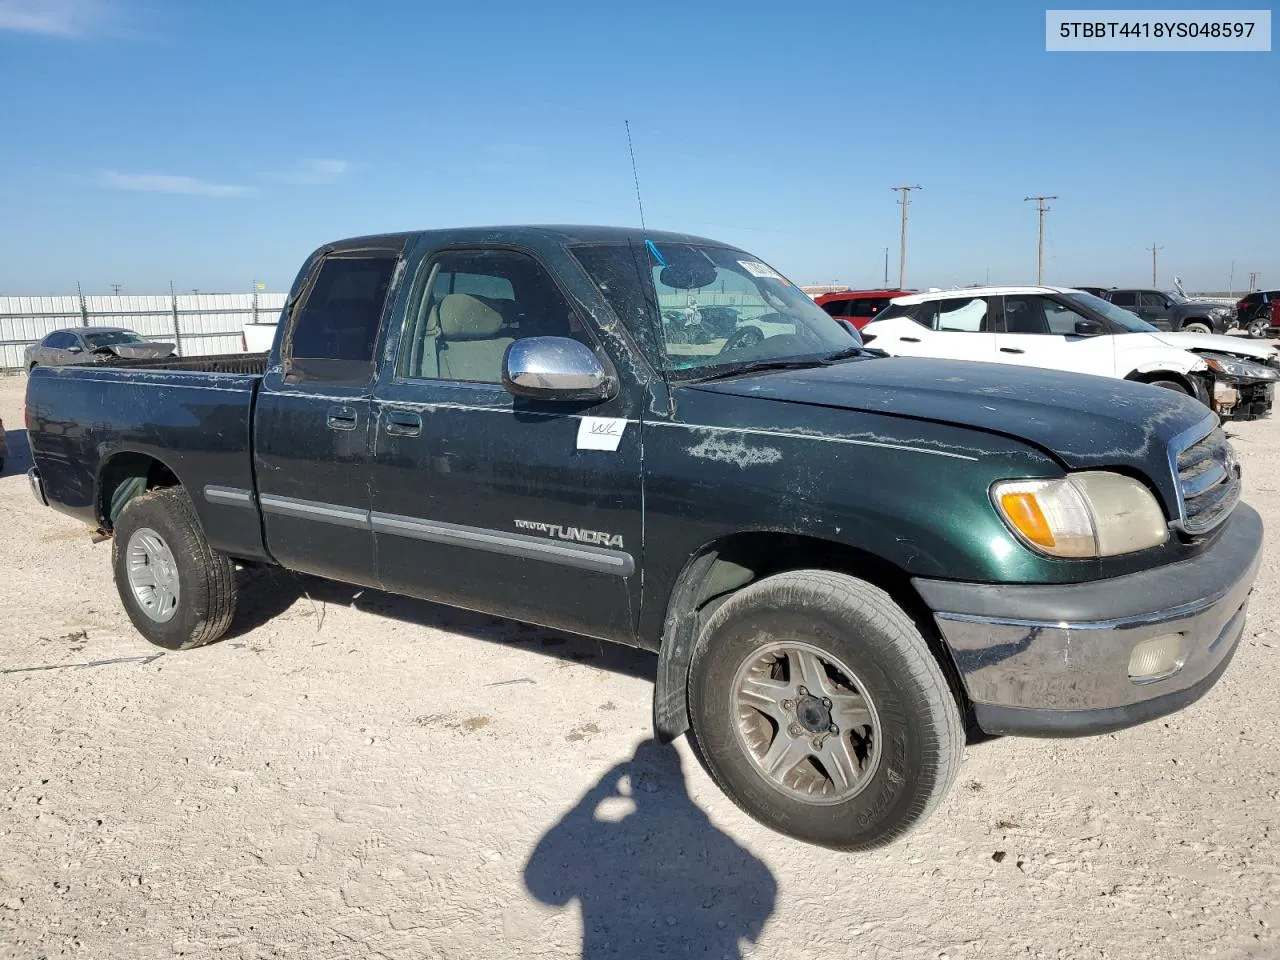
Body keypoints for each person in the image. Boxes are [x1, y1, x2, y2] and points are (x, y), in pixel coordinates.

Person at [524, 739, 776, 959]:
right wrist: (747, 933)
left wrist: (596, 795)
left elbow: (541, 886)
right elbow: (765, 882)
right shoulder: (720, 844)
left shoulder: (611, 837)